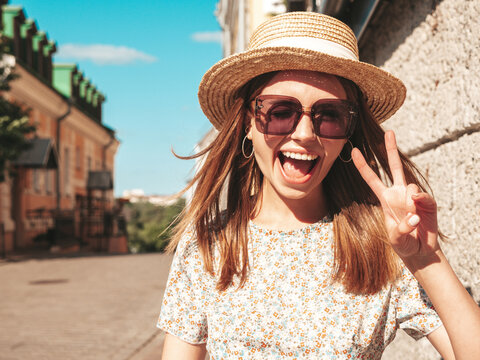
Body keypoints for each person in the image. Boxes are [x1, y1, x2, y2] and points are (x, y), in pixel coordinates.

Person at [158, 12, 480, 359]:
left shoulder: (384, 244)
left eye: (330, 115)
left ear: (348, 134)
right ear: (248, 123)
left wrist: (426, 258)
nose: (305, 134)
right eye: (280, 111)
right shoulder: (209, 244)